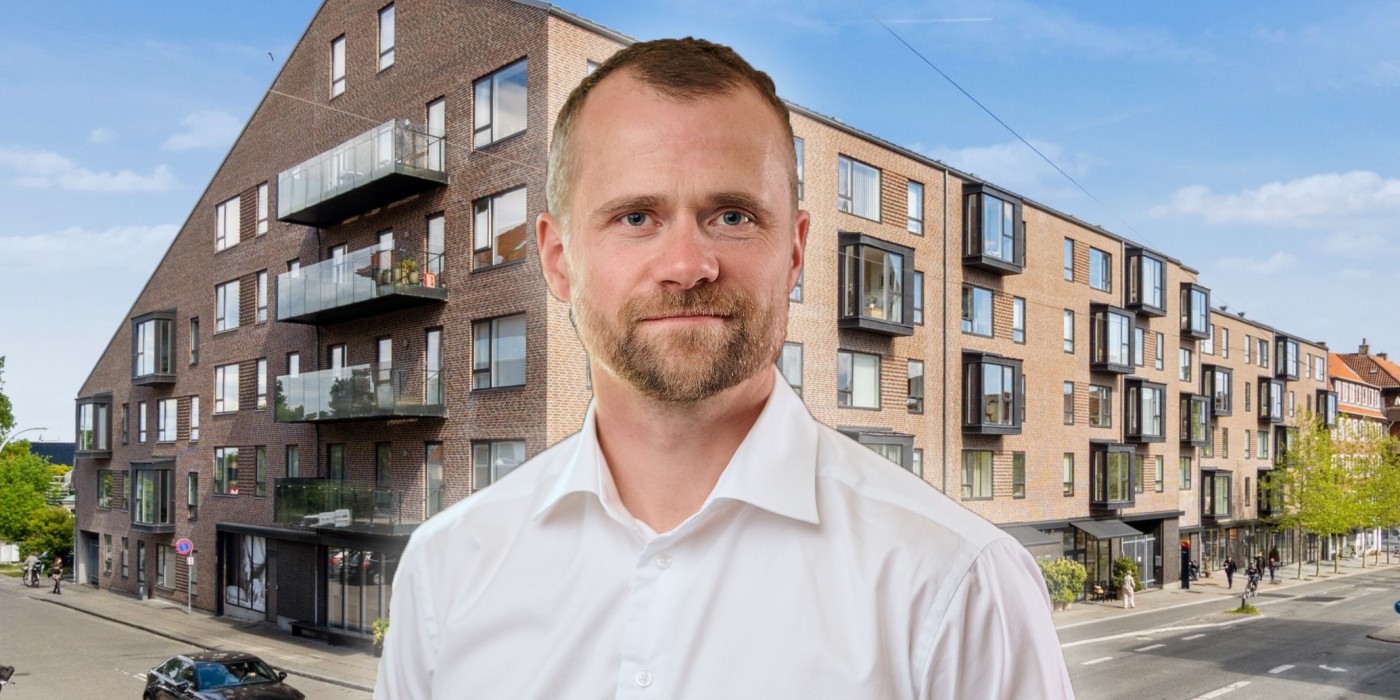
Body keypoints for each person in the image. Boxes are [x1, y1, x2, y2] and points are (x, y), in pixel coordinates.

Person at [375, 38, 1074, 700]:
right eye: (636, 216)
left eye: (733, 216)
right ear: (559, 260)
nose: (687, 265)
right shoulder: (447, 569)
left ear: (796, 252)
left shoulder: (959, 584)